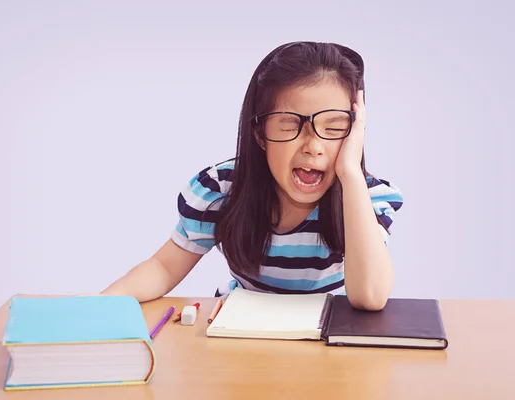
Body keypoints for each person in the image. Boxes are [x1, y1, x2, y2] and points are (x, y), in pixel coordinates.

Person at [100, 41, 403, 310]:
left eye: (334, 128)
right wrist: (96, 304)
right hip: (242, 337)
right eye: (289, 125)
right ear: (259, 133)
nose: (313, 147)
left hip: (326, 345)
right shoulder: (221, 189)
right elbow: (164, 268)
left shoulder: (365, 196)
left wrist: (350, 174)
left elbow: (370, 296)